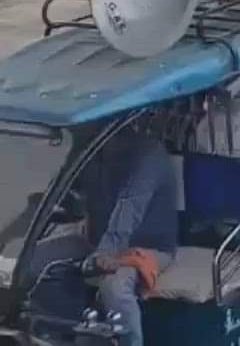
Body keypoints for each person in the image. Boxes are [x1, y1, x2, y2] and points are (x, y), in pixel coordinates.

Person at [82, 127, 178, 346]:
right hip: (96, 240)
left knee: (114, 288)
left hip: (147, 248)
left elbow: (129, 209)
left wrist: (103, 255)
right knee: (37, 262)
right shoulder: (91, 150)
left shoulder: (148, 156)